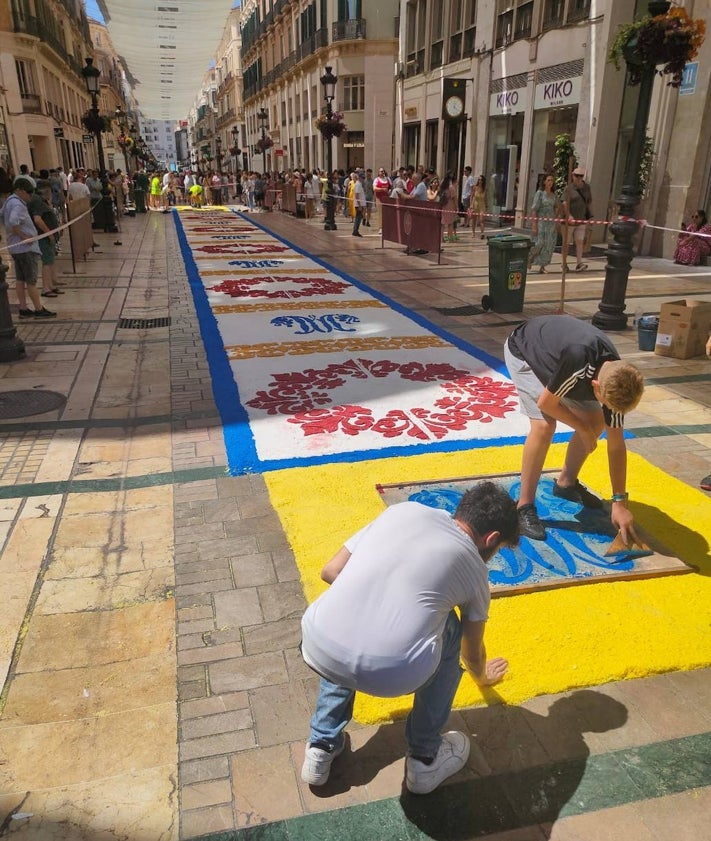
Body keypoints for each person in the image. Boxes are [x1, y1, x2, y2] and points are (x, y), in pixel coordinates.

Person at [300, 481, 519, 794]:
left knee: (353, 610)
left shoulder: (401, 512)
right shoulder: (474, 568)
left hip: (318, 642)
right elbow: (471, 653)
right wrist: (482, 677)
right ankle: (424, 759)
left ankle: (320, 747)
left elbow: (330, 571)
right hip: (394, 673)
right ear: (492, 539)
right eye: (496, 551)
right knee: (451, 626)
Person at [504, 315, 644, 542]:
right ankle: (524, 505)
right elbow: (546, 403)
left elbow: (616, 444)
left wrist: (620, 502)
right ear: (596, 387)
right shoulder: (578, 362)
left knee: (597, 421)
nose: (609, 409)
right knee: (544, 425)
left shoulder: (617, 374)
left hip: (561, 360)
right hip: (526, 351)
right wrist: (584, 431)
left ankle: (566, 483)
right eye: (605, 402)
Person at [1, 176, 56, 318]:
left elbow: (3, 216)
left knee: (20, 279)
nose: (30, 196)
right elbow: (13, 221)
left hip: (15, 248)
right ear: (19, 190)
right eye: (28, 192)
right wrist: (24, 236)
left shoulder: (9, 201)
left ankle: (23, 308)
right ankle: (38, 308)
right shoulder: (18, 204)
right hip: (25, 249)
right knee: (31, 280)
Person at [528, 174, 559, 273]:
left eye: (552, 180)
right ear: (544, 182)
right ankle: (530, 257)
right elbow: (534, 209)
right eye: (548, 180)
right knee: (539, 243)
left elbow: (556, 207)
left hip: (550, 223)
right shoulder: (540, 194)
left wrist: (556, 218)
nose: (550, 182)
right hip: (541, 222)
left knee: (548, 245)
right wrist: (534, 224)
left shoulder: (554, 195)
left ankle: (542, 266)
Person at [563, 167, 592, 271]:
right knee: (567, 242)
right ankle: (564, 263)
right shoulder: (569, 188)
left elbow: (588, 202)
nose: (579, 178)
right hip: (570, 221)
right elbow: (565, 203)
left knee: (579, 241)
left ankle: (579, 263)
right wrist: (569, 215)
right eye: (576, 175)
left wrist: (590, 216)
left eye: (581, 176)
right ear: (572, 175)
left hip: (582, 219)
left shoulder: (587, 188)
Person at [436, 172, 458, 243]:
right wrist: (456, 207)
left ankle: (441, 238)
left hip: (443, 205)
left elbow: (438, 193)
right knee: (450, 223)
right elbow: (454, 198)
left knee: (442, 223)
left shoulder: (442, 186)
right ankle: (450, 238)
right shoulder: (451, 187)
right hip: (450, 205)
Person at [470, 175, 487, 239]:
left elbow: (485, 198)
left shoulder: (485, 189)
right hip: (475, 204)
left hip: (482, 205)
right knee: (474, 220)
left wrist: (486, 206)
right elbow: (471, 196)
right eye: (479, 179)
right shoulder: (475, 187)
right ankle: (473, 232)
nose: (480, 181)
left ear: (483, 181)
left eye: (481, 180)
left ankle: (482, 233)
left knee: (481, 220)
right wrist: (471, 205)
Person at [351, 171, 366, 237]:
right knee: (358, 218)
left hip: (360, 204)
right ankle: (355, 230)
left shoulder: (359, 184)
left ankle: (356, 230)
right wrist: (360, 205)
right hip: (358, 205)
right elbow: (357, 195)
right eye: (362, 177)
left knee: (359, 217)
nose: (363, 179)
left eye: (364, 177)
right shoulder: (358, 184)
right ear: (359, 178)